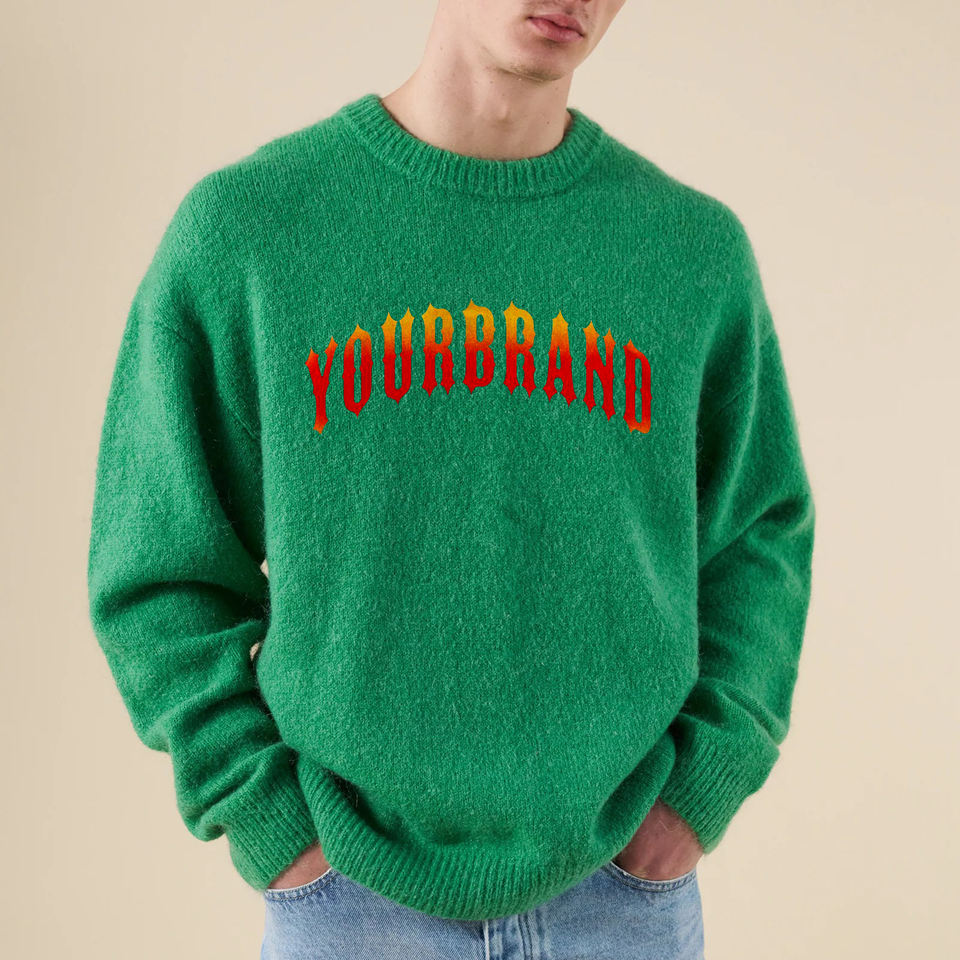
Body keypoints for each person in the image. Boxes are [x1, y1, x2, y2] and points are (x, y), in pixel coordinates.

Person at [87, 2, 816, 957]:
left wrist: (695, 794)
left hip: (622, 898)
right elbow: (156, 568)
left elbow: (761, 538)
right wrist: (268, 822)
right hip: (348, 902)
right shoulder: (251, 233)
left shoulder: (690, 254)